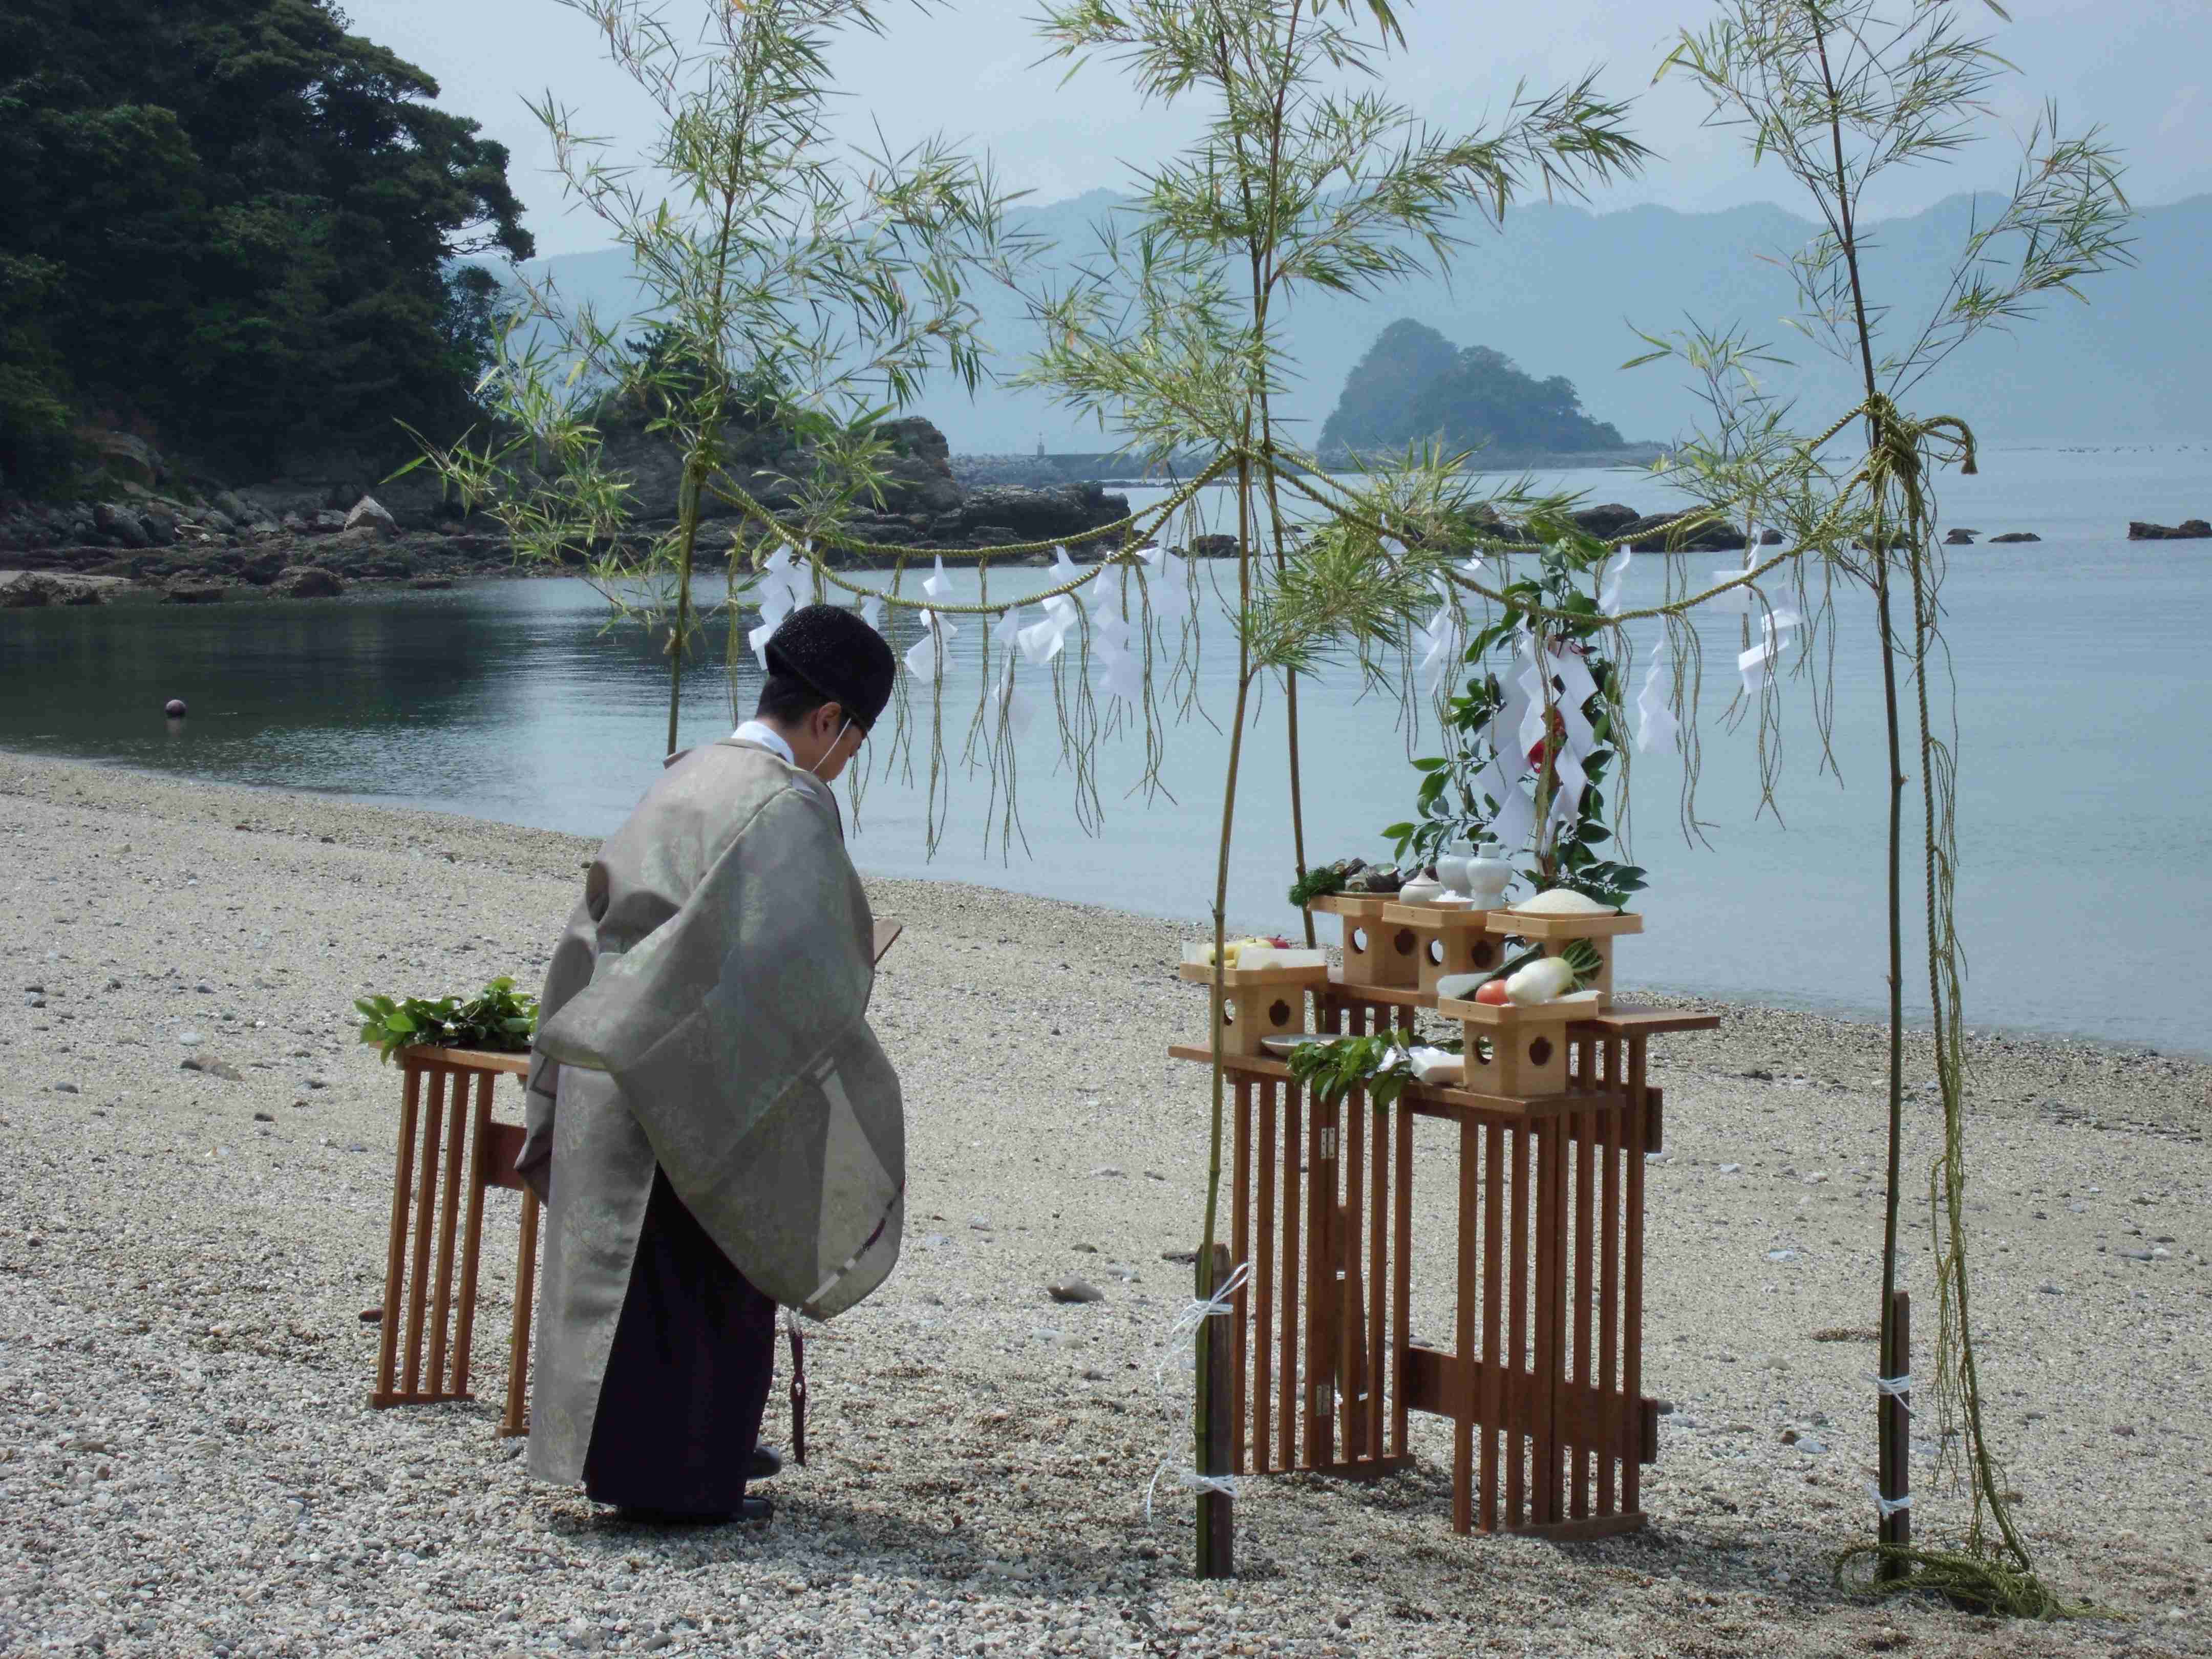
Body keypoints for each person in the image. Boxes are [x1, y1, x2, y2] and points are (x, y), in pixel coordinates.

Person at [516, 603, 904, 1524]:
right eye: (853, 742)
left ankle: (641, 1463)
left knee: (627, 1276)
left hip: (608, 1036)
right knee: (706, 1269)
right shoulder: (785, 800)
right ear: (828, 719)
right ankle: (686, 1485)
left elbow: (596, 914)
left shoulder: (686, 773)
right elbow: (796, 954)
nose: (845, 761)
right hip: (690, 1056)